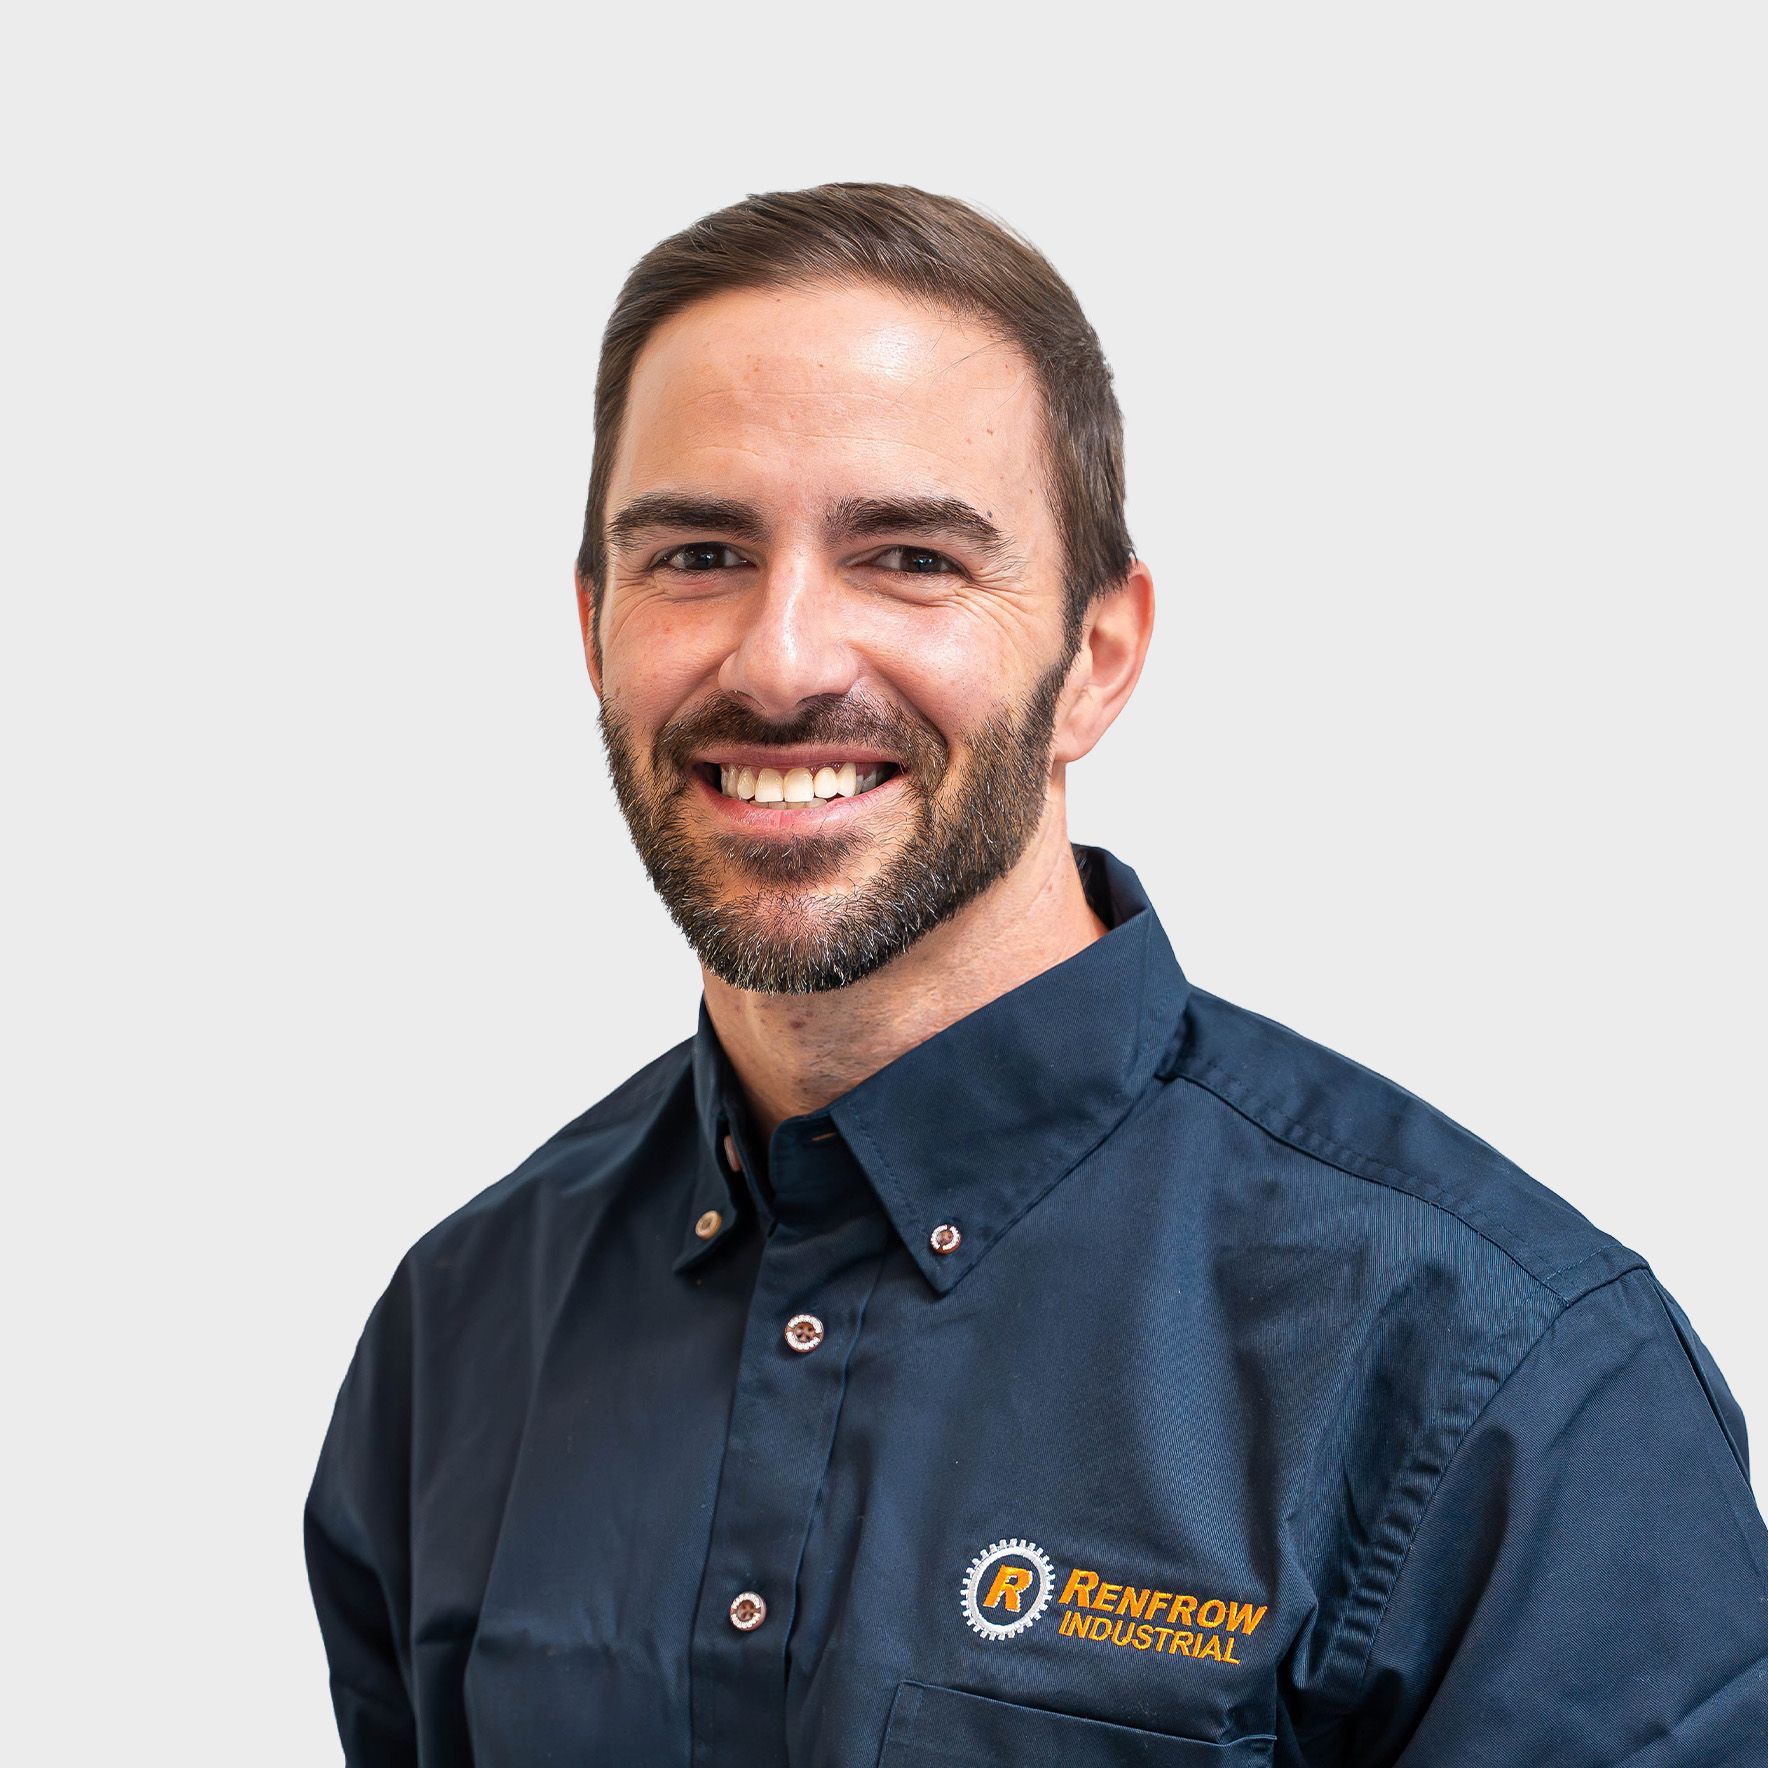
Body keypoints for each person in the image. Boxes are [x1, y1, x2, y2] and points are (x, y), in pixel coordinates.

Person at [305, 183, 1768, 1767]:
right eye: (702, 554)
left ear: (1097, 659)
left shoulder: (1505, 1377)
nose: (782, 660)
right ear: (596, 631)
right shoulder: (460, 1335)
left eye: (911, 556)